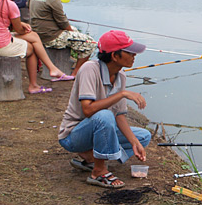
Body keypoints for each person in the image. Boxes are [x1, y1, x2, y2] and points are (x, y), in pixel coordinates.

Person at [58, 30, 151, 189]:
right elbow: (88, 110)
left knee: (143, 136)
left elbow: (119, 115)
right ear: (115, 56)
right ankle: (99, 171)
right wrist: (122, 94)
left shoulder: (121, 75)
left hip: (98, 128)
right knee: (105, 116)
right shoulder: (89, 69)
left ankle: (91, 158)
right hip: (74, 135)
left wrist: (134, 142)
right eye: (129, 52)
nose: (134, 56)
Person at [29, 0, 96, 77]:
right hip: (51, 37)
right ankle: (75, 73)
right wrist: (72, 32)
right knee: (90, 43)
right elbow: (63, 23)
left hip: (37, 34)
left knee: (75, 32)